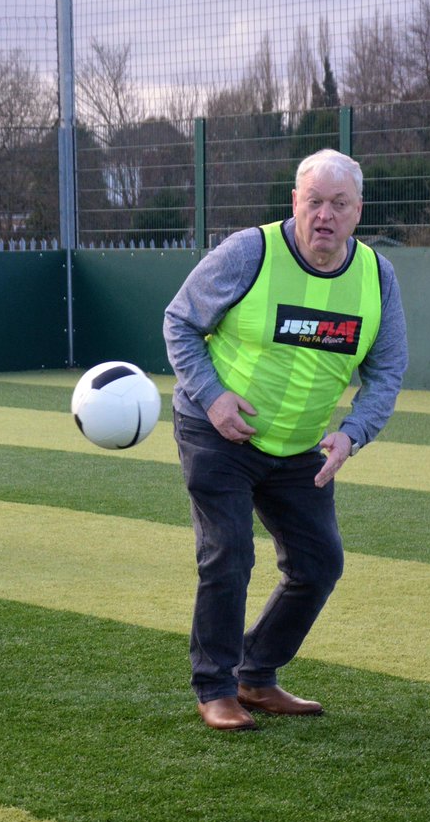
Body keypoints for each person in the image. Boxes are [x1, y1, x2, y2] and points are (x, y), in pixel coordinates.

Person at [164, 149, 408, 731]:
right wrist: (215, 398)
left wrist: (353, 433)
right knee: (229, 553)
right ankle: (215, 688)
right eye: (314, 201)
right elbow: (180, 322)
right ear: (294, 203)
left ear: (358, 212)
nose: (325, 215)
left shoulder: (377, 275)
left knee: (319, 562)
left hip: (299, 449)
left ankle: (257, 674)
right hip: (218, 432)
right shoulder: (250, 252)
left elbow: (387, 368)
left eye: (339, 204)